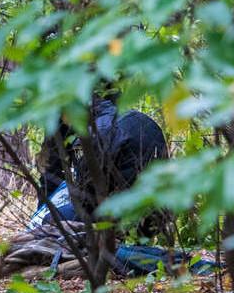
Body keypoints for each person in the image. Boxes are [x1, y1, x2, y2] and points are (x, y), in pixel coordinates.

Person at [37, 91, 168, 224]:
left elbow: (89, 201)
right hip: (156, 211)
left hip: (120, 213)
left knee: (50, 220)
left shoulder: (92, 137)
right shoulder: (141, 119)